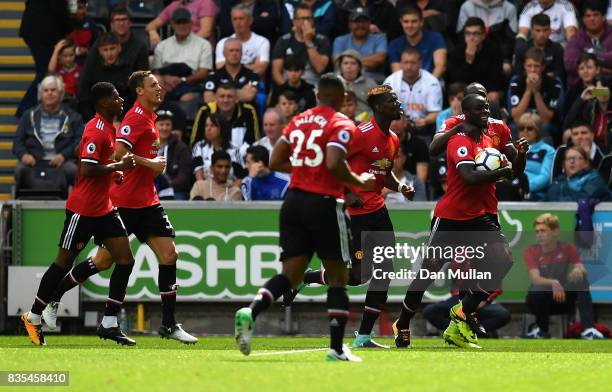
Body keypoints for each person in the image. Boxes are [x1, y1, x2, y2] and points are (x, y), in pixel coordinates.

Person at [46, 71, 199, 344]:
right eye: (153, 85)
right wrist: (150, 164)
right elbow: (118, 153)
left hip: (148, 201)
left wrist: (148, 167)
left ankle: (168, 324)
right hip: (123, 203)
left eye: (159, 84)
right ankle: (56, 295)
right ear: (139, 91)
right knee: (103, 261)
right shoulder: (134, 117)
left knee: (169, 255)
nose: (159, 88)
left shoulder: (151, 117)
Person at [234, 74, 376, 361]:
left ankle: (251, 311)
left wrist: (304, 168)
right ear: (341, 97)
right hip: (323, 202)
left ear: (316, 95)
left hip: (293, 201)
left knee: (291, 275)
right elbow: (335, 162)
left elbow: (274, 161)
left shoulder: (298, 120)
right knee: (338, 276)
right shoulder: (341, 123)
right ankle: (336, 349)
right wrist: (359, 179)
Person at [391, 94, 529, 349]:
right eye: (480, 109)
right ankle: (402, 322)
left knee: (504, 259)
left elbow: (516, 170)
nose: (486, 111)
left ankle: (462, 313)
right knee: (425, 275)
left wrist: (519, 155)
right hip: (452, 217)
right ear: (466, 114)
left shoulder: (491, 138)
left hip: (480, 216)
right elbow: (468, 176)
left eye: (487, 107)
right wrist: (501, 171)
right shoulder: (459, 141)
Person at [285, 85, 415, 349]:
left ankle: (364, 336)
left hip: (378, 211)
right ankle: (306, 278)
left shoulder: (392, 138)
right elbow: (331, 163)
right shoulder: (360, 133)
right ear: (378, 107)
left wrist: (400, 187)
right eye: (392, 100)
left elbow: (383, 172)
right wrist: (346, 192)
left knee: (384, 272)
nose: (398, 103)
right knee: (357, 276)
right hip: (355, 215)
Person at [20, 82, 137, 346]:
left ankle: (109, 323)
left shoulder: (107, 128)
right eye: (116, 97)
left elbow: (92, 161)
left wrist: (112, 173)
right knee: (63, 263)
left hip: (104, 208)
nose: (120, 100)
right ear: (102, 103)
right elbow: (86, 169)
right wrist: (119, 164)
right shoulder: (97, 130)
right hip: (83, 210)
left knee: (125, 260)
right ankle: (34, 315)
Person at [524, 213, 604, 339]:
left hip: (563, 298)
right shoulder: (531, 250)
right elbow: (535, 278)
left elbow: (581, 267)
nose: (539, 235)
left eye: (543, 231)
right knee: (536, 288)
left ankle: (588, 330)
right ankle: (542, 331)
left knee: (581, 280)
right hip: (540, 301)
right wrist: (553, 282)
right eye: (537, 231)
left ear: (555, 231)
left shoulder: (567, 248)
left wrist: (578, 270)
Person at [13, 75, 83, 196]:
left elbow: (80, 142)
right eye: (46, 90)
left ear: (61, 94)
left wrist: (63, 155)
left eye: (53, 90)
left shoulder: (73, 117)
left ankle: (77, 206)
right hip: (34, 161)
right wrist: (24, 155)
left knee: (73, 170)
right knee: (19, 169)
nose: (49, 93)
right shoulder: (28, 116)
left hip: (62, 162)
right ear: (41, 94)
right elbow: (17, 142)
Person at [423, 261, 511, 338]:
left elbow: (496, 285)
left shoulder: (489, 255)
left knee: (504, 315)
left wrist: (486, 300)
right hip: (460, 298)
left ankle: (473, 332)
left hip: (483, 299)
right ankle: (457, 332)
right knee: (430, 311)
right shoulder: (461, 253)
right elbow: (456, 275)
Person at [17, 0, 72, 118]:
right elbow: (59, 9)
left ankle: (29, 109)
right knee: (45, 72)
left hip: (36, 30)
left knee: (45, 72)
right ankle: (25, 109)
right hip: (41, 33)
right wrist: (69, 30)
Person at [153, 8, 213, 103]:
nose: (182, 26)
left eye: (185, 22)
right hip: (165, 84)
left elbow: (203, 73)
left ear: (191, 23)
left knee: (187, 98)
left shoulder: (203, 45)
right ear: (172, 24)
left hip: (191, 84)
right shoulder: (162, 46)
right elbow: (156, 72)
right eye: (178, 22)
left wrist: (182, 80)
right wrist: (166, 79)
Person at [384, 48, 443, 140]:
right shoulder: (390, 81)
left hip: (422, 127)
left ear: (420, 63)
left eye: (412, 63)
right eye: (405, 62)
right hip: (396, 125)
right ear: (400, 63)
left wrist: (425, 121)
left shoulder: (432, 82)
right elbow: (385, 110)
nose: (409, 66)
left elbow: (436, 113)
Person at [447, 17, 505, 105]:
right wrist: (468, 61)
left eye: (475, 34)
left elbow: (496, 81)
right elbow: (455, 81)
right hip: (464, 92)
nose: (471, 38)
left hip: (486, 91)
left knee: (494, 96)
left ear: (483, 35)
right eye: (468, 34)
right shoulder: (457, 51)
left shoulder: (493, 50)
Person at [271, 3, 331, 87]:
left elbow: (320, 68)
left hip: (313, 89)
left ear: (313, 20)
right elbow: (276, 72)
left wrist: (308, 41)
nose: (306, 22)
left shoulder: (322, 40)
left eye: (309, 18)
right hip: (288, 88)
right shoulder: (283, 40)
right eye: (303, 18)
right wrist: (286, 89)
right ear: (294, 21)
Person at [509, 47, 563, 140]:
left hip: (543, 123)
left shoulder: (553, 84)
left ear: (543, 67)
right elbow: (516, 117)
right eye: (529, 66)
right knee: (513, 127)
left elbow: (546, 119)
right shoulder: (517, 82)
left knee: (545, 127)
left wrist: (536, 93)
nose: (533, 70)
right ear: (524, 66)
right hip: (522, 120)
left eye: (536, 66)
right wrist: (528, 91)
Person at [77, 32, 132, 120]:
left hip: (122, 119)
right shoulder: (91, 70)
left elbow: (130, 98)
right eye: (105, 50)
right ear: (100, 51)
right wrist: (94, 121)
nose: (109, 53)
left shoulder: (127, 69)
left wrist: (121, 120)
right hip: (95, 118)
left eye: (112, 48)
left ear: (119, 47)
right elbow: (83, 99)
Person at [456, 0, 518, 76]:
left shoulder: (509, 8)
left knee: (505, 69)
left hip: (499, 55)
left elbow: (509, 38)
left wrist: (506, 59)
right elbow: (461, 36)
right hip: (472, 52)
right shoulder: (466, 6)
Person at [191, 82, 260, 147]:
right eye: (222, 96)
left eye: (229, 96)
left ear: (237, 99)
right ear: (216, 98)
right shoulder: (205, 111)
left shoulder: (248, 111)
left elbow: (254, 142)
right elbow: (195, 142)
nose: (225, 100)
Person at [86, 6, 149, 73]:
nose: (121, 23)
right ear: (112, 25)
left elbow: (143, 76)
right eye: (117, 20)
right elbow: (89, 70)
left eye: (124, 19)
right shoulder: (100, 44)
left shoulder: (140, 47)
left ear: (130, 23)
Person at [388, 6, 446, 79]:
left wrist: (429, 85)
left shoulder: (435, 38)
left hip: (432, 81)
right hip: (405, 85)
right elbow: (397, 73)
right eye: (406, 22)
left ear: (421, 22)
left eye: (414, 21)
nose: (410, 25)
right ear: (401, 22)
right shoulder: (395, 44)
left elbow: (440, 66)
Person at [564, 0, 612, 87]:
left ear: (603, 17)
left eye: (596, 15)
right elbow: (570, 63)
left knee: (603, 94)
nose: (592, 19)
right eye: (588, 16)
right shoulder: (576, 38)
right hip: (580, 88)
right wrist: (600, 69)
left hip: (608, 86)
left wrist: (592, 55)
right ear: (583, 19)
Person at [332, 9, 388, 83]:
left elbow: (379, 58)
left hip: (375, 81)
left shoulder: (380, 38)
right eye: (356, 22)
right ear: (350, 24)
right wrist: (368, 60)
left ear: (369, 23)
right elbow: (337, 61)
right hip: (345, 82)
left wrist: (348, 61)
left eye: (363, 22)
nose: (360, 25)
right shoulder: (340, 40)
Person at [215, 3, 271, 77]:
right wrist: (251, 66)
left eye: (241, 18)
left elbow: (261, 69)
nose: (238, 23)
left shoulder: (262, 42)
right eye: (235, 19)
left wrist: (232, 66)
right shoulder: (223, 43)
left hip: (252, 85)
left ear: (250, 20)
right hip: (228, 85)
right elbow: (220, 68)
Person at [192, 112, 248, 181]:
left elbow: (241, 178)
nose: (208, 129)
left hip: (229, 188)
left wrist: (232, 191)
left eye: (212, 126)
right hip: (206, 188)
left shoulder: (235, 151)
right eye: (206, 125)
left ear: (222, 128)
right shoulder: (199, 147)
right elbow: (199, 177)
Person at [204, 38, 260, 104]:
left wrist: (220, 95)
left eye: (237, 50)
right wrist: (240, 92)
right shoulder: (213, 75)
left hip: (246, 112)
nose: (234, 53)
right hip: (220, 114)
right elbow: (208, 99)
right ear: (224, 53)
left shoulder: (252, 75)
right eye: (231, 50)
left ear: (242, 53)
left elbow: (249, 96)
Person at [563, 76, 612, 153]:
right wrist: (581, 99)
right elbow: (568, 123)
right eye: (599, 90)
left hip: (609, 151)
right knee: (568, 133)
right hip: (590, 148)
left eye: (604, 90)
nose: (602, 93)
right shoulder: (590, 107)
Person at [545, 146, 610, 201]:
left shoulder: (595, 180)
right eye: (569, 158)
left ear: (586, 163)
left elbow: (582, 199)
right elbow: (546, 201)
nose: (572, 161)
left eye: (577, 158)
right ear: (564, 164)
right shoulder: (558, 181)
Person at [514, 13, 565, 82]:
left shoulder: (557, 49)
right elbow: (518, 73)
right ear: (531, 31)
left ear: (550, 31)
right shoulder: (522, 50)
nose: (541, 34)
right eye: (538, 30)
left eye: (545, 30)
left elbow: (559, 74)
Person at [146, 0, 216, 48]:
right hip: (177, 47)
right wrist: (152, 32)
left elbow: (206, 31)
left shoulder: (205, 2)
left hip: (200, 47)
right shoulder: (175, 5)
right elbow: (151, 25)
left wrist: (185, 45)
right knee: (150, 61)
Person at [518, 113, 555, 201]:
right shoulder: (512, 150)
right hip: (513, 190)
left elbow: (545, 178)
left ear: (537, 131)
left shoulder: (548, 151)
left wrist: (524, 188)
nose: (525, 131)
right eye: (521, 128)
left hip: (534, 194)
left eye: (530, 128)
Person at [155, 110, 192, 200]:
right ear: (154, 126)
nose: (164, 128)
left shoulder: (180, 147)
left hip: (174, 189)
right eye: (161, 124)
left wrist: (167, 185)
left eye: (168, 125)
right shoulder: (146, 145)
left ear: (172, 127)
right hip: (150, 188)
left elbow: (184, 176)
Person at [335, 49, 377, 121]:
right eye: (345, 63)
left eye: (353, 63)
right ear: (340, 67)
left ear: (359, 67)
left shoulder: (370, 84)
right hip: (338, 123)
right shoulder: (333, 83)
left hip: (365, 124)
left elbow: (378, 109)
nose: (349, 66)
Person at [68, 0, 99, 65]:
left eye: (80, 8)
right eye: (74, 8)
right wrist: (74, 50)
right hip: (68, 61)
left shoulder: (91, 24)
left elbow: (98, 44)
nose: (77, 11)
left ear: (85, 9)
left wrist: (87, 50)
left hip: (87, 61)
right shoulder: (65, 24)